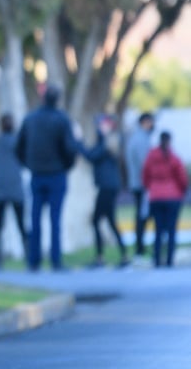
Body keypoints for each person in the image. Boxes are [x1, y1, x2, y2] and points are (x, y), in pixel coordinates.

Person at [15, 84, 79, 271]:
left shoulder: (30, 119)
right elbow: (70, 148)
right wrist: (65, 166)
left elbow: (19, 148)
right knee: (55, 219)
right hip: (56, 175)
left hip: (37, 174)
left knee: (35, 219)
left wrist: (29, 164)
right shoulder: (61, 120)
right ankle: (55, 261)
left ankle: (34, 261)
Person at [80, 115, 129, 268]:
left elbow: (91, 156)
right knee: (109, 221)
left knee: (97, 220)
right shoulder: (106, 141)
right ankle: (122, 254)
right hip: (108, 186)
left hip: (108, 187)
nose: (98, 128)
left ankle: (102, 257)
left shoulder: (109, 141)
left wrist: (78, 140)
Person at [0, 113, 28, 270]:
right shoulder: (19, 144)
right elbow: (25, 161)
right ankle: (29, 260)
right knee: (21, 226)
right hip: (16, 189)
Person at [142, 131, 188, 268]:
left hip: (156, 197)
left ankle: (157, 259)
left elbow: (145, 175)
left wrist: (151, 188)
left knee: (158, 229)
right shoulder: (174, 158)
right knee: (172, 229)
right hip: (173, 197)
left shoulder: (151, 157)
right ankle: (169, 260)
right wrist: (181, 192)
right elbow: (182, 178)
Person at [125, 112, 155, 257]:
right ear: (145, 122)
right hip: (143, 184)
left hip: (138, 183)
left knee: (141, 215)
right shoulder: (141, 139)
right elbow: (146, 165)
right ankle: (140, 248)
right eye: (151, 122)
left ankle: (140, 247)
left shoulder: (136, 137)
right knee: (143, 216)